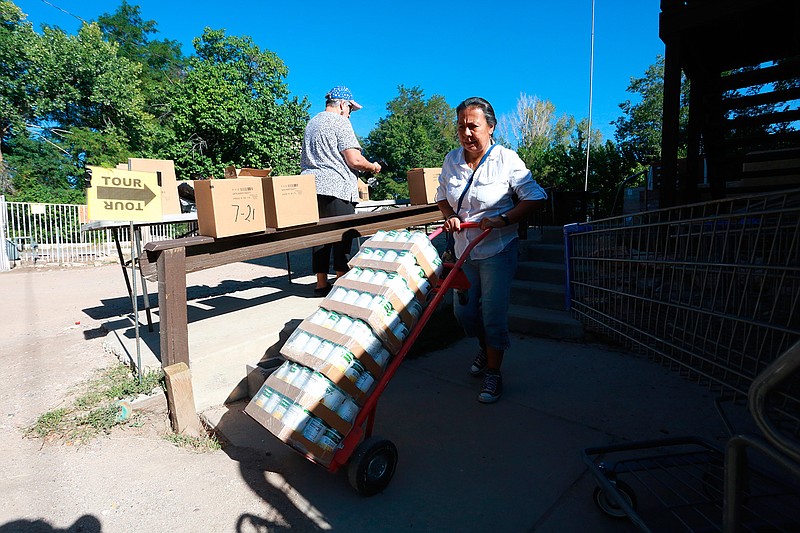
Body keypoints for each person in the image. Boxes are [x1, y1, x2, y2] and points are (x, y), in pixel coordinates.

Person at [435, 97, 547, 403]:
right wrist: (451, 217)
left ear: (491, 126)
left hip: (498, 249)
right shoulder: (451, 160)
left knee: (493, 315)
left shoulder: (507, 160)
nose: (467, 133)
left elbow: (535, 197)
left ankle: (494, 372)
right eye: (461, 127)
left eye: (473, 126)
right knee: (465, 314)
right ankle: (485, 349)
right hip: (464, 252)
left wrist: (503, 219)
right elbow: (442, 196)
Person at [301, 86, 381, 296]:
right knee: (342, 236)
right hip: (337, 187)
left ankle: (320, 283)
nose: (350, 114)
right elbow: (354, 160)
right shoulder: (340, 122)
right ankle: (340, 282)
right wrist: (372, 166)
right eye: (351, 110)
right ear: (343, 105)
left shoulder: (312, 123)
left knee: (320, 237)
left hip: (310, 188)